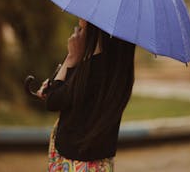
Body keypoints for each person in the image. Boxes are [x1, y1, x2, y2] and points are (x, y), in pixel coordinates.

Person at [37, 18, 135, 171]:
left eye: (84, 22)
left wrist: (71, 58)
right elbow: (58, 92)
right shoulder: (118, 70)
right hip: (100, 164)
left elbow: (53, 101)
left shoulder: (92, 69)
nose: (80, 20)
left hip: (75, 163)